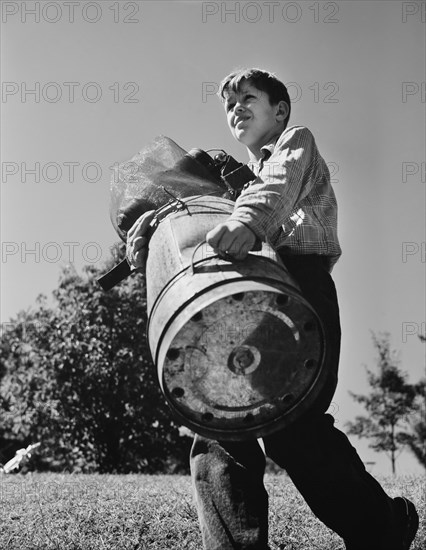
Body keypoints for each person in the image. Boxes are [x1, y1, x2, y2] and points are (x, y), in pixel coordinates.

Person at [126, 68, 419, 550]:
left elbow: (276, 187)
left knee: (296, 431)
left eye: (248, 98)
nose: (235, 108)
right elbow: (198, 225)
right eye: (229, 103)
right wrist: (153, 230)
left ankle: (384, 529)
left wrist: (248, 221)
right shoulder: (230, 186)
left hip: (301, 288)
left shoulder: (293, 143)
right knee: (219, 424)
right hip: (243, 295)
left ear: (279, 110)